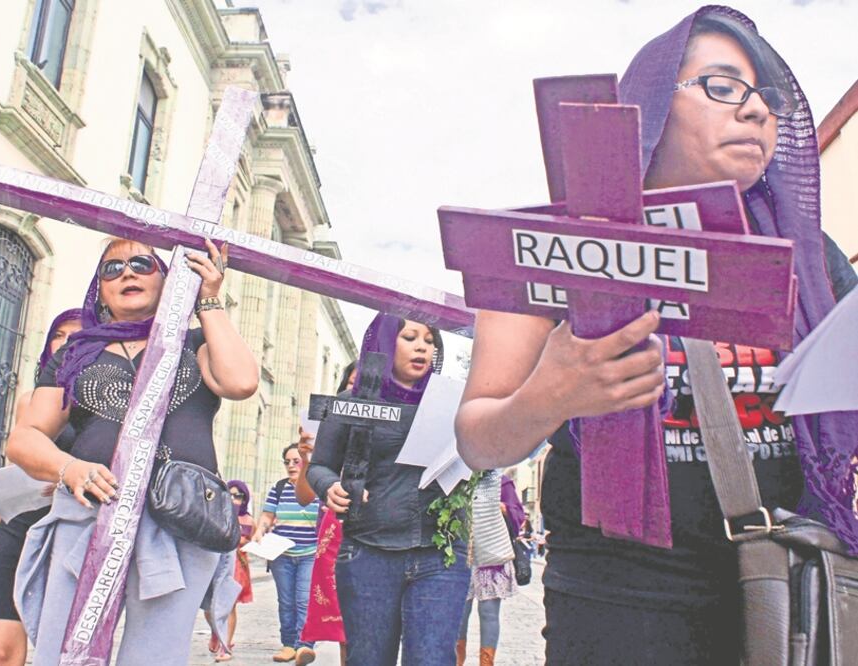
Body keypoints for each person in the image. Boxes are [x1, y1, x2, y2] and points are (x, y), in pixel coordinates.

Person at [455, 7, 858, 664]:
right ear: (650, 104)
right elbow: (477, 439)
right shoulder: (550, 246)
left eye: (768, 98)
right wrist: (550, 394)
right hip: (618, 597)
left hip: (789, 584)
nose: (755, 111)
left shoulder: (812, 260)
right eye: (722, 87)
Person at [7, 237, 258, 665]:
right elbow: (24, 438)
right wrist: (69, 467)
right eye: (112, 268)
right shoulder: (76, 352)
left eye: (142, 263)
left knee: (156, 656)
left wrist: (209, 300)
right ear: (100, 289)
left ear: (166, 279)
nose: (127, 273)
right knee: (66, 648)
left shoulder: (195, 342)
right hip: (90, 512)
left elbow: (240, 382)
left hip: (180, 517)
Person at [308, 314, 469, 666]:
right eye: (410, 336)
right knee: (368, 659)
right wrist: (330, 486)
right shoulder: (351, 401)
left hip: (440, 554)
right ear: (384, 342)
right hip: (368, 552)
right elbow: (318, 466)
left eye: (430, 340)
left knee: (432, 659)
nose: (422, 346)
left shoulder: (457, 403)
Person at [0, 308, 82, 666]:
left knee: (61, 649)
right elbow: (16, 478)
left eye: (77, 336)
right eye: (59, 335)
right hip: (20, 525)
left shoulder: (99, 406)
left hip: (70, 529)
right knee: (1, 648)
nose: (66, 344)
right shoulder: (29, 401)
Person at [299, 361, 357, 666]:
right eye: (350, 383)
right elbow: (305, 495)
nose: (355, 390)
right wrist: (309, 459)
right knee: (344, 617)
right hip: (335, 529)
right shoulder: (330, 432)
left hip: (377, 529)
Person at [253, 444, 320, 664]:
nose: (291, 465)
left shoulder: (316, 488)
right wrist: (260, 530)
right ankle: (288, 644)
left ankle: (304, 645)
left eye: (296, 461)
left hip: (310, 553)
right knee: (286, 601)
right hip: (281, 554)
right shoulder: (279, 488)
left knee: (303, 600)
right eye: (287, 461)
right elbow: (267, 515)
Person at [456, 472, 524, 666]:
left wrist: (502, 509)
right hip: (463, 557)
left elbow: (518, 514)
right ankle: (456, 661)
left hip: (492, 558)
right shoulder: (458, 480)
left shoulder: (501, 482)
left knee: (488, 613)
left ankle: (487, 663)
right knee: (460, 614)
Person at [205, 479, 256, 662]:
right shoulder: (216, 515)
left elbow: (254, 539)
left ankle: (226, 645)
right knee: (209, 607)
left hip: (238, 567)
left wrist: (247, 542)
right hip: (216, 563)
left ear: (244, 499)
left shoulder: (248, 520)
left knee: (229, 605)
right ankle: (215, 631)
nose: (234, 499)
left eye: (238, 496)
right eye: (230, 494)